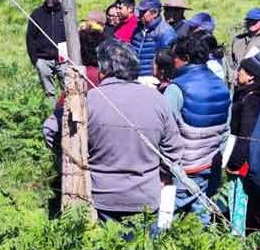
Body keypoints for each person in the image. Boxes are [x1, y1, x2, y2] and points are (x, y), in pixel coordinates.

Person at [87, 39, 182, 222]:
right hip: (146, 196)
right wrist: (163, 176)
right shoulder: (158, 100)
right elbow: (174, 148)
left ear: (104, 70)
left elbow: (51, 130)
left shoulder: (89, 100)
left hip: (101, 197)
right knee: (143, 249)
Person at [164, 34, 231, 226]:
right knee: (201, 222)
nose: (171, 60)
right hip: (210, 166)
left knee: (165, 221)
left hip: (182, 168)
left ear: (185, 59)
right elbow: (226, 130)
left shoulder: (176, 89)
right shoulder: (222, 86)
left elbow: (165, 130)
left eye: (174, 57)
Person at [226, 52, 260, 234]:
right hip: (245, 159)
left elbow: (245, 136)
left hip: (244, 163)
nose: (237, 72)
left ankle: (237, 238)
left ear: (252, 76)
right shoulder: (246, 95)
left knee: (240, 201)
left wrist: (234, 163)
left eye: (241, 70)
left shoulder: (251, 100)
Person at [26, 0, 66, 103]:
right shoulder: (37, 14)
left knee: (68, 89)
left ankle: (67, 113)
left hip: (63, 59)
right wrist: (35, 60)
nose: (50, 0)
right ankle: (52, 113)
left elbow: (72, 35)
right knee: (49, 93)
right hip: (43, 59)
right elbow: (30, 37)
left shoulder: (65, 14)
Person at [131, 0, 176, 77]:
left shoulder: (165, 32)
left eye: (143, 12)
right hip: (135, 77)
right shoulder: (138, 29)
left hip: (152, 79)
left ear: (154, 13)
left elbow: (166, 60)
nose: (139, 15)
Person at [231, 8, 260, 73]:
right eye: (249, 20)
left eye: (255, 21)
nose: (251, 23)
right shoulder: (238, 40)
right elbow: (233, 63)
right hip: (237, 80)